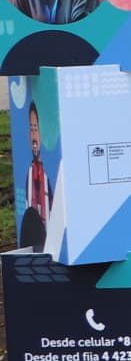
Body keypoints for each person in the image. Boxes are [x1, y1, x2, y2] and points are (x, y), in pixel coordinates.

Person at [20, 101, 51, 251]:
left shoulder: (48, 176)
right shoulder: (30, 173)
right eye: (31, 129)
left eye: (36, 129)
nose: (33, 136)